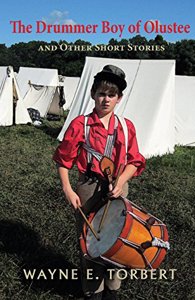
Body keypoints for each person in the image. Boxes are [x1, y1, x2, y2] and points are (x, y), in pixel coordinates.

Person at [53, 65, 146, 299]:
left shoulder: (126, 127)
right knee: (90, 241)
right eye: (102, 93)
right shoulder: (79, 125)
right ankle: (93, 291)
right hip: (88, 189)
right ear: (93, 94)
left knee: (118, 238)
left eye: (111, 95)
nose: (106, 99)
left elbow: (135, 161)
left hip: (118, 186)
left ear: (119, 98)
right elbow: (64, 161)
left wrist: (121, 181)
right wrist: (67, 188)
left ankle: (112, 290)